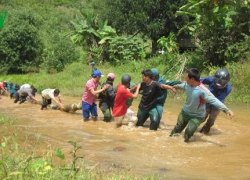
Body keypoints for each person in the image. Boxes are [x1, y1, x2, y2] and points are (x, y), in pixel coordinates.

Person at [169, 68, 234, 142]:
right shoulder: (187, 84)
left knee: (189, 132)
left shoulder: (203, 91)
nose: (185, 79)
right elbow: (181, 85)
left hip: (197, 115)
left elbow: (215, 101)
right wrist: (174, 87)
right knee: (175, 131)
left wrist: (227, 110)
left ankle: (200, 133)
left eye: (186, 78)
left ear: (192, 79)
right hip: (185, 112)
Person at [199, 69, 232, 134]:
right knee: (201, 118)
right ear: (214, 78)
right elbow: (198, 81)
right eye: (217, 80)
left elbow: (218, 100)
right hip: (206, 102)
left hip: (217, 105)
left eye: (222, 81)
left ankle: (203, 133)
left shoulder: (228, 88)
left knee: (210, 122)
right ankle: (192, 130)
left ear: (227, 81)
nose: (219, 82)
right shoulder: (210, 79)